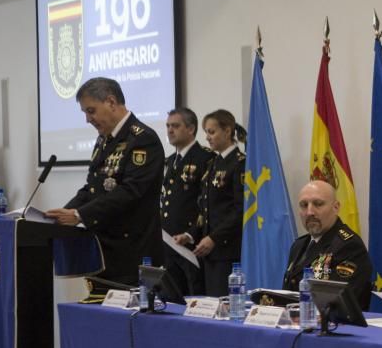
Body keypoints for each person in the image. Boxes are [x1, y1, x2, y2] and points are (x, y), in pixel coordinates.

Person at [46, 77, 164, 287]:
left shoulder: (143, 139)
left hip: (131, 254)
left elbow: (130, 191)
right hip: (103, 251)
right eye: (85, 113)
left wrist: (79, 215)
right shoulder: (104, 140)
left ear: (110, 102)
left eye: (91, 111)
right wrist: (61, 215)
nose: (88, 119)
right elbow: (92, 188)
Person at [173, 109, 245, 297]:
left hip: (227, 250)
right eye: (206, 132)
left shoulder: (239, 163)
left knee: (223, 304)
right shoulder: (213, 163)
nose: (207, 137)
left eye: (211, 132)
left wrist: (214, 238)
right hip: (209, 251)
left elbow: (240, 210)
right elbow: (206, 211)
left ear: (227, 131)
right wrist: (190, 235)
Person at [282, 179, 372, 309]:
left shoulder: (349, 246)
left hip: (335, 327)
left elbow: (338, 302)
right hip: (298, 323)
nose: (309, 212)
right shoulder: (299, 245)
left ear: (336, 207)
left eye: (318, 204)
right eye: (304, 205)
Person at [161, 107, 212, 296]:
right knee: (172, 297)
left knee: (193, 297)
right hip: (168, 242)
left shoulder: (205, 158)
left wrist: (191, 234)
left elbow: (206, 205)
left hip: (191, 244)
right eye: (167, 126)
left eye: (175, 126)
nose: (170, 130)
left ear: (191, 129)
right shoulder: (170, 160)